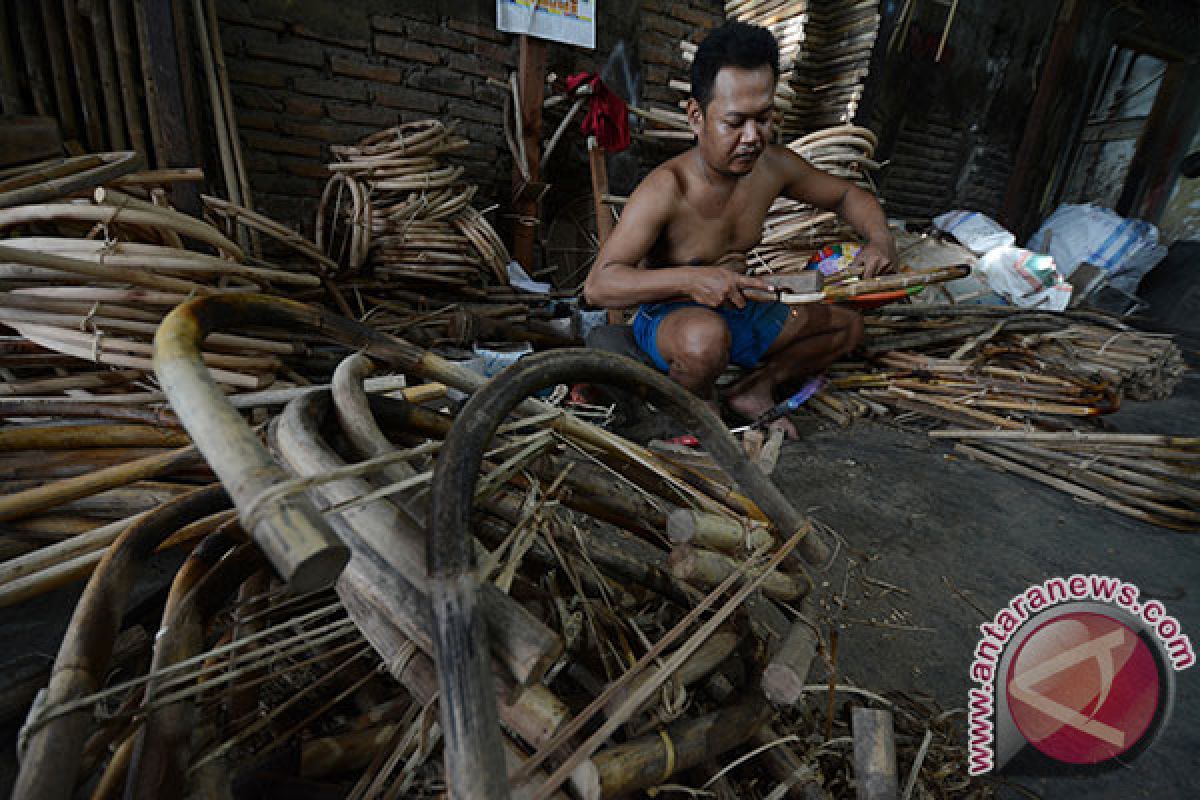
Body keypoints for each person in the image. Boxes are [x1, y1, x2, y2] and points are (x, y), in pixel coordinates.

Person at [583, 21, 897, 437]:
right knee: (704, 342)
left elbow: (847, 197)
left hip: (742, 309)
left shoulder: (772, 168)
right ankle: (691, 404)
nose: (753, 137)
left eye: (763, 118)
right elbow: (599, 286)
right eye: (735, 122)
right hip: (673, 319)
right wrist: (693, 279)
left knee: (846, 327)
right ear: (696, 116)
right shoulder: (666, 188)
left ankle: (753, 390)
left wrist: (880, 239)